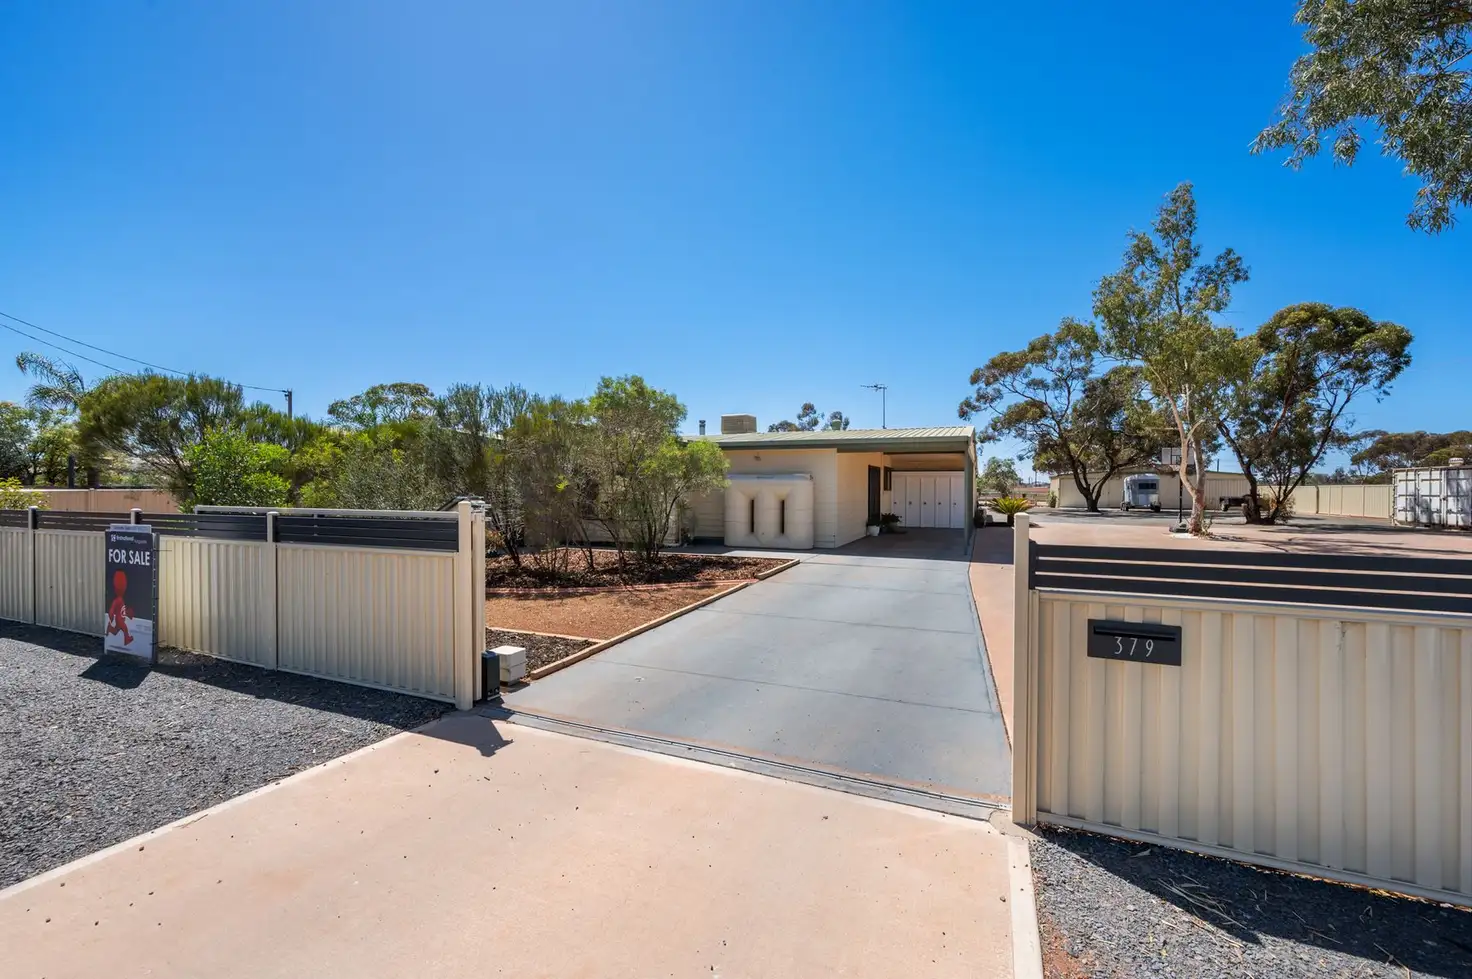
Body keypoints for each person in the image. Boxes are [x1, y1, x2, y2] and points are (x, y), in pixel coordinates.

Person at [106, 568, 133, 646]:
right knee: (125, 628)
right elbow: (112, 610)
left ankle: (110, 629)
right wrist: (111, 618)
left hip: (120, 619)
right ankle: (127, 639)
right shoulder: (118, 600)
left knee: (115, 631)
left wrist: (128, 613)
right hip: (120, 620)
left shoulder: (120, 599)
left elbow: (122, 610)